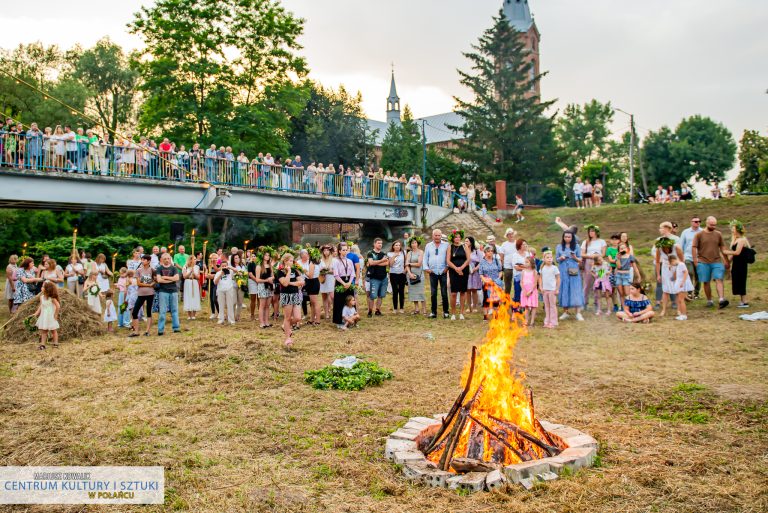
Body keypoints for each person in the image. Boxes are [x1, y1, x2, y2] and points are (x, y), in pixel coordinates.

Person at [692, 216, 730, 309]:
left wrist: (726, 260)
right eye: (711, 225)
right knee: (706, 281)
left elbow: (722, 248)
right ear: (706, 223)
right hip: (703, 261)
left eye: (715, 225)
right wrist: (695, 260)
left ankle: (721, 299)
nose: (713, 226)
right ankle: (709, 300)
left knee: (719, 278)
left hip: (717, 261)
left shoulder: (718, 234)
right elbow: (694, 247)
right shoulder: (699, 235)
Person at [722, 220, 752, 308]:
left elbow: (737, 252)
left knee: (742, 281)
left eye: (733, 228)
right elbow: (733, 255)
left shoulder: (742, 240)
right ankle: (742, 300)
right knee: (737, 281)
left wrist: (726, 252)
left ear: (737, 229)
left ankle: (745, 301)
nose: (732, 230)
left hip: (741, 265)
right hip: (736, 264)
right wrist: (728, 262)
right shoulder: (735, 240)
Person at [277, 253, 304, 347]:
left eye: (292, 261)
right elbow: (284, 284)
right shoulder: (280, 271)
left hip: (295, 295)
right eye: (290, 261)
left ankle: (285, 326)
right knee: (287, 318)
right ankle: (288, 338)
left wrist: (291, 283)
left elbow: (301, 282)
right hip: (286, 295)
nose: (292, 262)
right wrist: (288, 272)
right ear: (285, 261)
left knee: (298, 318)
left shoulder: (295, 270)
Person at [556, 231, 584, 321]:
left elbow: (580, 260)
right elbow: (556, 259)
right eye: (565, 237)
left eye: (569, 237)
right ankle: (565, 312)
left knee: (575, 289)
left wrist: (575, 257)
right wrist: (561, 258)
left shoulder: (576, 246)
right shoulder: (559, 246)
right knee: (564, 289)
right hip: (563, 269)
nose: (567, 238)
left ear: (572, 238)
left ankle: (578, 313)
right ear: (563, 237)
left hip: (573, 268)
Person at [424, 229, 450, 319]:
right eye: (435, 235)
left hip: (443, 271)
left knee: (444, 292)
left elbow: (448, 257)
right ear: (432, 236)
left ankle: (446, 312)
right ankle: (433, 312)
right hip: (433, 272)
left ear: (441, 236)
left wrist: (447, 267)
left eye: (439, 235)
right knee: (433, 293)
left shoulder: (446, 245)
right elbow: (425, 258)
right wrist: (426, 268)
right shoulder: (428, 246)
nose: (437, 237)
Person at [581, 225, 606, 311]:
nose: (591, 233)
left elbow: (603, 253)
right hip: (589, 262)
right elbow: (582, 254)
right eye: (589, 231)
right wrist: (591, 256)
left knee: (598, 282)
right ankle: (584, 302)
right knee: (587, 283)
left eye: (593, 231)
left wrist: (597, 257)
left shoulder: (602, 241)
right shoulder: (586, 242)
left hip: (599, 263)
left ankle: (597, 303)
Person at [129, 255, 156, 337]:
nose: (142, 261)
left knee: (148, 312)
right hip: (141, 293)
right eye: (142, 259)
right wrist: (149, 285)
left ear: (148, 261)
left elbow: (155, 280)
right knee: (134, 312)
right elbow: (138, 283)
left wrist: (152, 284)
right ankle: (136, 331)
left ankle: (147, 331)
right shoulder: (138, 270)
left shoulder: (152, 270)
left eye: (144, 260)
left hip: (150, 293)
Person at [447, 231, 471, 320]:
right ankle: (453, 313)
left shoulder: (465, 246)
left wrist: (461, 268)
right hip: (453, 271)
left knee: (463, 291)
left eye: (458, 237)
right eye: (455, 237)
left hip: (464, 270)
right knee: (453, 292)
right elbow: (448, 261)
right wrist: (456, 268)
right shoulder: (450, 247)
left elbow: (468, 259)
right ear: (453, 238)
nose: (457, 238)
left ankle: (461, 312)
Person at [155, 253, 181, 335]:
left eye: (168, 258)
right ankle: (160, 329)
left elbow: (177, 278)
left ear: (170, 259)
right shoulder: (159, 269)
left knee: (174, 310)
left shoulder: (174, 268)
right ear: (162, 259)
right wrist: (171, 279)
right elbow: (159, 280)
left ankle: (176, 328)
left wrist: (165, 277)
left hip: (173, 291)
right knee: (162, 311)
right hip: (163, 291)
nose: (166, 260)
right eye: (165, 259)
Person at [679, 216, 703, 300]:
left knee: (698, 276)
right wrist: (681, 257)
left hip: (700, 257)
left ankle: (696, 293)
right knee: (690, 273)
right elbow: (681, 245)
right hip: (688, 256)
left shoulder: (703, 231)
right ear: (691, 222)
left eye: (699, 221)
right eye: (695, 221)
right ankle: (689, 292)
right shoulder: (686, 232)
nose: (697, 223)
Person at [332, 243, 355, 327]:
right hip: (340, 282)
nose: (345, 252)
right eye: (343, 250)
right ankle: (339, 321)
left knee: (350, 301)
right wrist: (343, 283)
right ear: (339, 251)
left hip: (349, 282)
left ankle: (351, 320)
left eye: (346, 250)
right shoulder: (335, 260)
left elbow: (353, 273)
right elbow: (336, 274)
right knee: (339, 301)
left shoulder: (349, 261)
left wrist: (349, 282)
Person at [478, 244, 503, 320]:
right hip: (486, 283)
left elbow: (500, 271)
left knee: (496, 300)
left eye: (492, 251)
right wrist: (485, 280)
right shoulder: (482, 261)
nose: (490, 253)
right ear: (485, 252)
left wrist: (498, 279)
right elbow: (481, 273)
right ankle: (485, 316)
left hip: (495, 283)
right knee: (486, 299)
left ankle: (496, 316)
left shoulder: (496, 260)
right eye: (488, 251)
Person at [665, 253, 693, 320]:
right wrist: (670, 267)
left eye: (671, 263)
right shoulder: (678, 266)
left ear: (673, 260)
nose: (672, 265)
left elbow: (686, 272)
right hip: (680, 282)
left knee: (681, 300)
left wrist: (683, 282)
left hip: (682, 283)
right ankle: (682, 314)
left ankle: (684, 315)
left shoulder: (681, 264)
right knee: (680, 300)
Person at [34, 282, 60, 350]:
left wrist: (56, 314)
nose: (41, 288)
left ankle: (56, 343)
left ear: (47, 289)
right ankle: (43, 345)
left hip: (51, 316)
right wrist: (37, 312)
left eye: (43, 287)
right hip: (44, 316)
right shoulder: (41, 297)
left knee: (53, 330)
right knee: (44, 331)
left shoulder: (52, 298)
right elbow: (41, 306)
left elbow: (58, 306)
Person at [366, 238, 389, 317]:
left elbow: (386, 263)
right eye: (378, 243)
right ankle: (370, 311)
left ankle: (378, 311)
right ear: (374, 244)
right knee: (372, 296)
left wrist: (375, 263)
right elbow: (370, 262)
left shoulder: (383, 253)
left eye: (381, 243)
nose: (380, 245)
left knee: (381, 296)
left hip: (383, 278)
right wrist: (381, 261)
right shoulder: (370, 253)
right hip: (374, 278)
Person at [254, 249, 276, 328]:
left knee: (268, 305)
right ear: (262, 256)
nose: (267, 257)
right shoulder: (259, 266)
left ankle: (266, 322)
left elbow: (273, 276)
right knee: (262, 305)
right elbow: (257, 279)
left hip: (269, 286)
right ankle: (261, 322)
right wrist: (266, 280)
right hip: (262, 286)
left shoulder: (270, 266)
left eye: (268, 255)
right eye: (266, 255)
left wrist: (271, 279)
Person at [299, 249, 321, 325]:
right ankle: (312, 319)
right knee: (312, 302)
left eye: (308, 254)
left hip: (312, 282)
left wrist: (304, 271)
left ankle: (317, 320)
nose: (307, 256)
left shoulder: (312, 263)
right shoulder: (316, 263)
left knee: (315, 302)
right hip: (314, 282)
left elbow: (310, 276)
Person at [539, 251, 560, 328]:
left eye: (551, 257)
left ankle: (553, 322)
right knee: (547, 306)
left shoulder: (554, 268)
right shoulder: (542, 268)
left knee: (552, 306)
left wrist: (557, 289)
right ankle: (547, 321)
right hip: (545, 290)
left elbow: (558, 279)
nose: (549, 259)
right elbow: (540, 278)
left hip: (552, 290)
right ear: (544, 259)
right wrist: (541, 287)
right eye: (547, 257)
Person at [405, 237, 425, 315]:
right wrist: (409, 274)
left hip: (419, 274)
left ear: (418, 243)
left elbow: (419, 264)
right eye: (412, 243)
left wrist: (410, 264)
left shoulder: (421, 252)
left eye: (415, 243)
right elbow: (406, 265)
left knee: (421, 292)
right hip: (410, 274)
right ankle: (416, 309)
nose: (414, 244)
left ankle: (424, 309)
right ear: (410, 244)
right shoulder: (409, 253)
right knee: (413, 292)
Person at [214, 260, 237, 325]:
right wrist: (221, 274)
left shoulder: (230, 272)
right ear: (220, 266)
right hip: (220, 290)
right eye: (223, 266)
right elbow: (215, 282)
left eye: (225, 266)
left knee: (230, 305)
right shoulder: (218, 273)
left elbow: (237, 271)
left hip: (229, 289)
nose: (224, 267)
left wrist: (230, 267)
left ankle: (231, 320)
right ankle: (221, 319)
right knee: (221, 305)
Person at [387, 241, 407, 314]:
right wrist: (394, 256)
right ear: (393, 246)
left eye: (399, 245)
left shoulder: (404, 252)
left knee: (401, 291)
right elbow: (391, 265)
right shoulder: (390, 254)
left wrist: (405, 271)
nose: (398, 246)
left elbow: (406, 263)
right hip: (393, 274)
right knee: (395, 291)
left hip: (402, 274)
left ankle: (401, 308)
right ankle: (395, 308)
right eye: (396, 245)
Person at [519, 256, 539, 327]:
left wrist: (530, 291)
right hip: (525, 290)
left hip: (532, 291)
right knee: (526, 306)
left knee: (533, 306)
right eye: (525, 262)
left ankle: (532, 321)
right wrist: (524, 290)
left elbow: (535, 283)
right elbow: (521, 282)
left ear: (531, 263)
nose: (526, 263)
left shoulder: (534, 272)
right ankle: (526, 320)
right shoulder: (523, 271)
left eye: (527, 262)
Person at [466, 237, 483, 313]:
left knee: (474, 290)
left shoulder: (477, 251)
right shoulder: (464, 250)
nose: (466, 242)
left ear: (471, 242)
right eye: (465, 241)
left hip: (475, 272)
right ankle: (468, 307)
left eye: (467, 241)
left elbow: (481, 261)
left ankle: (475, 306)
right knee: (467, 290)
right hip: (466, 272)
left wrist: (475, 269)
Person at [499, 228, 518, 296]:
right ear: (507, 236)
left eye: (512, 234)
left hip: (517, 267)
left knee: (517, 283)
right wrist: (502, 265)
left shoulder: (517, 243)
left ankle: (517, 300)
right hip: (507, 267)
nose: (511, 235)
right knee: (507, 284)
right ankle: (506, 300)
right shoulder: (504, 244)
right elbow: (501, 256)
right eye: (509, 234)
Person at [183, 256, 201, 320]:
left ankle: (194, 314)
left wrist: (194, 273)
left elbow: (198, 277)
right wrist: (190, 272)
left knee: (194, 296)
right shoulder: (185, 267)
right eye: (194, 259)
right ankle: (189, 314)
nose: (195, 260)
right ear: (190, 260)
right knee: (188, 297)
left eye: (196, 259)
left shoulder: (197, 267)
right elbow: (184, 276)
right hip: (188, 282)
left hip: (194, 282)